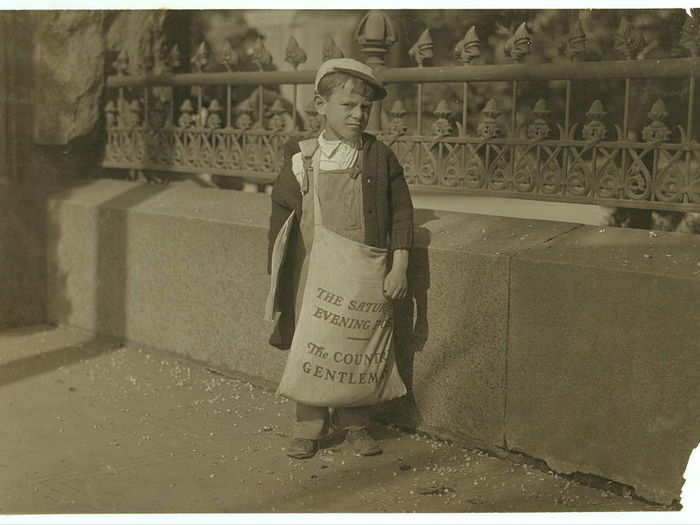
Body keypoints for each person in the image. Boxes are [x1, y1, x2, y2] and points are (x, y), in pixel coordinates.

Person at [267, 58, 414, 460]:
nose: (358, 114)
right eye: (347, 105)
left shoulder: (378, 158)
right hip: (315, 272)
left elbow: (402, 214)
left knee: (359, 343)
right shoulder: (302, 159)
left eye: (364, 108)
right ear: (320, 104)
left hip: (365, 270)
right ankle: (308, 427)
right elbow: (282, 221)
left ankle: (357, 424)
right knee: (313, 346)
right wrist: (281, 275)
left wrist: (399, 265)